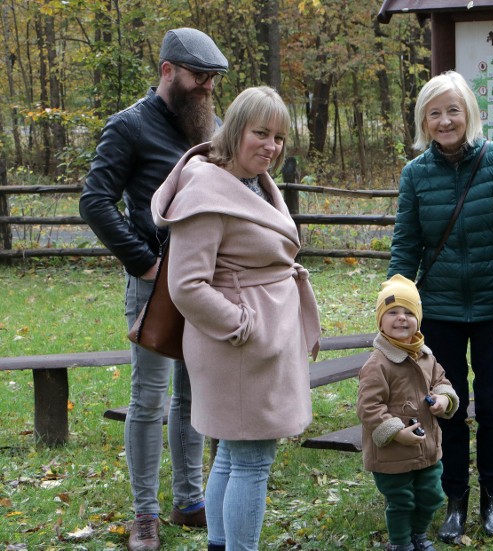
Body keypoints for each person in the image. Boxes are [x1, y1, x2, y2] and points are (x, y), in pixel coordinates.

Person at [150, 86, 321, 551]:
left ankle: (221, 546)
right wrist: (244, 326)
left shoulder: (254, 183)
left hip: (257, 345)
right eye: (260, 133)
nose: (271, 146)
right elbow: (186, 284)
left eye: (280, 137)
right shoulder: (208, 190)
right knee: (251, 461)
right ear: (235, 131)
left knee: (232, 452)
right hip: (238, 348)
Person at [79, 27, 228, 551]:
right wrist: (143, 263)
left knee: (194, 396)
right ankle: (144, 514)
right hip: (154, 288)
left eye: (213, 79)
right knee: (149, 399)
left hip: (205, 285)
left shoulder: (212, 130)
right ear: (168, 71)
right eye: (199, 77)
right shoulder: (129, 127)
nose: (208, 87)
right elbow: (95, 201)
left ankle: (190, 501)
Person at [387, 70, 493, 542]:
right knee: (446, 408)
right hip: (441, 313)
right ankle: (455, 503)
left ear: (469, 113)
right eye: (435, 113)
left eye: (453, 110)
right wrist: (396, 311)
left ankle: (492, 501)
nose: (446, 120)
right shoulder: (416, 175)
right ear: (423, 121)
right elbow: (405, 248)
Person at [357, 274, 461, 551]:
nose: (401, 318)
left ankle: (418, 535)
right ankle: (400, 543)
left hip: (426, 446)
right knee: (401, 500)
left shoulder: (425, 355)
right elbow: (369, 407)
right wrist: (394, 432)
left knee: (431, 496)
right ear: (380, 320)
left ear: (418, 318)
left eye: (408, 312)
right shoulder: (378, 364)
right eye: (392, 312)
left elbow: (442, 381)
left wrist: (443, 399)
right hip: (391, 453)